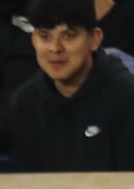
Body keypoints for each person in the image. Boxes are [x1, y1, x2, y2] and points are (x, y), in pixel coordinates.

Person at [8, 0, 134, 171]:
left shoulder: (125, 96)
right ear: (33, 40)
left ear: (95, 39)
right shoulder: (26, 102)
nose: (55, 48)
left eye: (69, 35)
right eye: (45, 36)